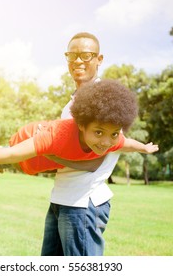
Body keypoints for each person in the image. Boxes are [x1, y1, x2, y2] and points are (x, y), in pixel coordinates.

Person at [0, 79, 158, 176]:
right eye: (98, 132)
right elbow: (12, 152)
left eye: (113, 134)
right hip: (29, 136)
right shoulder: (57, 137)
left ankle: (10, 163)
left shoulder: (112, 139)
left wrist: (144, 149)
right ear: (81, 125)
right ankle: (2, 158)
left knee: (26, 164)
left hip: (39, 161)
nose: (106, 142)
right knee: (15, 154)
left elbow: (126, 143)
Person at [40, 32, 127, 256]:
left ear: (99, 59)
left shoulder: (107, 99)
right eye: (72, 55)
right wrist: (25, 159)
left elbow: (94, 162)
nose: (78, 61)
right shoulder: (71, 104)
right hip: (61, 198)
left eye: (86, 55)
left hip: (83, 204)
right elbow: (65, 153)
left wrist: (47, 153)